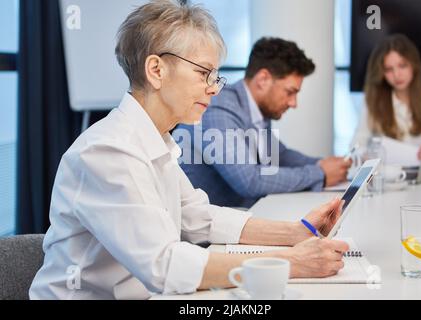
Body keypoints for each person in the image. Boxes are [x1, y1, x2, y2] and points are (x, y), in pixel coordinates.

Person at [29, 0, 348, 300]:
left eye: (215, 75)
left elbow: (200, 218)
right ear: (156, 70)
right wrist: (291, 262)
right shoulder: (107, 152)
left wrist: (296, 232)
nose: (213, 87)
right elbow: (164, 264)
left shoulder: (159, 141)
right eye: (202, 72)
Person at [176, 37, 351, 209]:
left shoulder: (255, 111)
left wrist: (322, 164)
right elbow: (249, 180)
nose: (293, 103)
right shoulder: (217, 108)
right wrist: (320, 173)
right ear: (263, 79)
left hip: (242, 214)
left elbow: (280, 154)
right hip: (206, 229)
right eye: (290, 92)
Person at [352, 34, 421, 162]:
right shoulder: (372, 102)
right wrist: (364, 154)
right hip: (391, 178)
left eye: (402, 65)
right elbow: (356, 145)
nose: (397, 75)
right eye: (388, 69)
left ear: (414, 65)